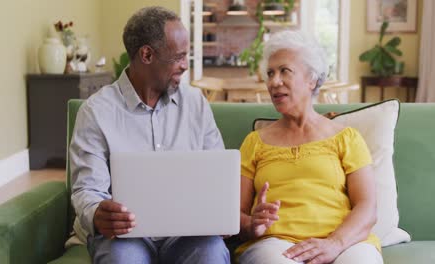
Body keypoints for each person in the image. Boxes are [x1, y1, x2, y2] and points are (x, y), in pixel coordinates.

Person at [69, 6, 229, 264]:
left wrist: (221, 211)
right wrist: (98, 212)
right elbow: (87, 189)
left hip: (187, 233)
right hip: (125, 236)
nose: (184, 66)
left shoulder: (195, 104)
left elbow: (217, 176)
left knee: (211, 253)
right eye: (178, 57)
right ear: (146, 55)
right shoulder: (96, 112)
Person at [236, 30, 383, 264]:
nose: (274, 82)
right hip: (275, 243)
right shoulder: (255, 142)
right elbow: (235, 214)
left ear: (311, 80)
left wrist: (335, 243)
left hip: (344, 241)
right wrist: (251, 224)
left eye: (285, 71)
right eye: (270, 73)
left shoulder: (346, 138)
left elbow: (367, 207)